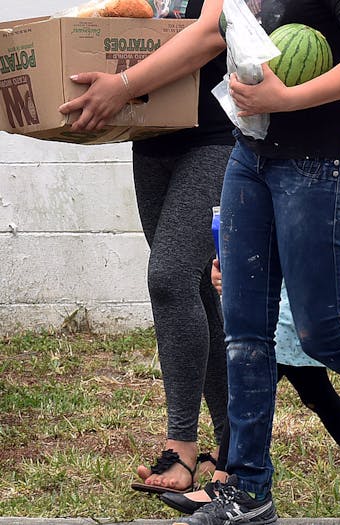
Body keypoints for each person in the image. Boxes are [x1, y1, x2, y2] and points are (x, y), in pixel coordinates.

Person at [59, 2, 340, 525]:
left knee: (321, 332)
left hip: (325, 161)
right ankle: (249, 489)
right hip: (251, 155)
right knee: (244, 334)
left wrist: (286, 98)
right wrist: (124, 85)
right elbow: (206, 34)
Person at [159, 265, 340, 512]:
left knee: (248, 384)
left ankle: (221, 484)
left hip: (293, 295)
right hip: (278, 295)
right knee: (315, 391)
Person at [123, 0, 231, 495]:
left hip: (215, 138)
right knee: (192, 289)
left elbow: (211, 35)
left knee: (166, 277)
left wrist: (121, 87)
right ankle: (235, 441)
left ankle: (181, 447)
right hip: (149, 140)